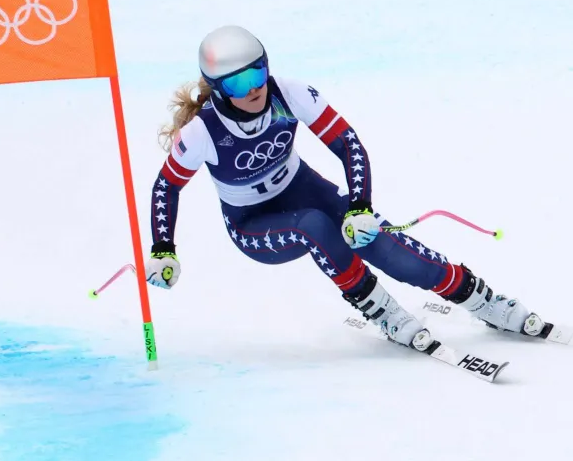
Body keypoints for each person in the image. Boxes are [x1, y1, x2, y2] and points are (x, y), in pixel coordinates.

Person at [144, 25, 545, 350]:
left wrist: (360, 207)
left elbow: (348, 144)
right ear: (217, 90)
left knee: (391, 252)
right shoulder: (202, 133)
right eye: (238, 83)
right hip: (253, 224)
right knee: (315, 226)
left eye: (258, 72)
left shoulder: (289, 93)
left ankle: (484, 301)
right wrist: (163, 250)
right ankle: (381, 309)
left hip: (303, 189)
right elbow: (166, 188)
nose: (253, 88)